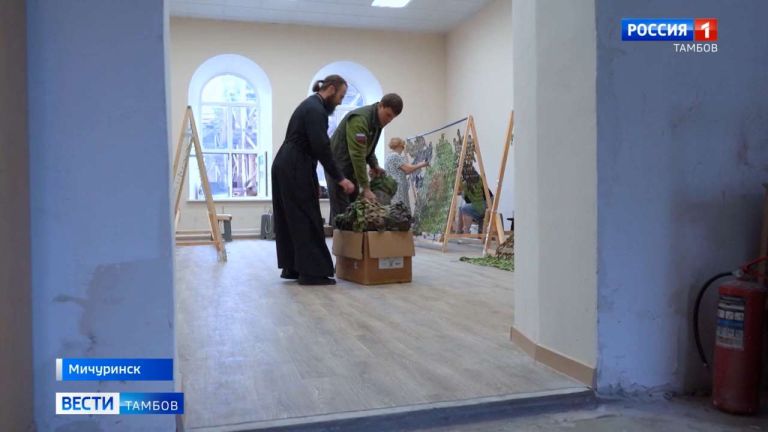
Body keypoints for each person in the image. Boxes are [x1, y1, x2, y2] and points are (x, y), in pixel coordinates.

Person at [271, 75, 355, 286]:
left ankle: (293, 267)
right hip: (294, 165)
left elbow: (312, 147)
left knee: (292, 216)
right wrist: (340, 178)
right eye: (341, 96)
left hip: (286, 163)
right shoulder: (316, 110)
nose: (340, 102)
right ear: (331, 89)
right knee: (307, 217)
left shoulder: (310, 106)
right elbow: (321, 147)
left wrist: (315, 179)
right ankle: (312, 273)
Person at [327, 93, 404, 221]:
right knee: (343, 214)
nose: (388, 120)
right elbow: (357, 154)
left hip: (350, 170)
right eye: (388, 115)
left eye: (392, 118)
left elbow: (367, 148)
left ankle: (342, 232)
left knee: (352, 212)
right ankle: (339, 234)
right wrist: (366, 188)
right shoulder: (360, 119)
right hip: (338, 168)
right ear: (381, 106)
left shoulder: (377, 122)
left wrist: (374, 165)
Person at [384, 137, 428, 209]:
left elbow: (402, 171)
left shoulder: (389, 156)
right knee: (401, 211)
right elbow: (408, 169)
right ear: (399, 146)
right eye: (402, 147)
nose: (403, 149)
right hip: (398, 190)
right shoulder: (395, 156)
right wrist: (422, 164)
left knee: (396, 211)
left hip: (393, 189)